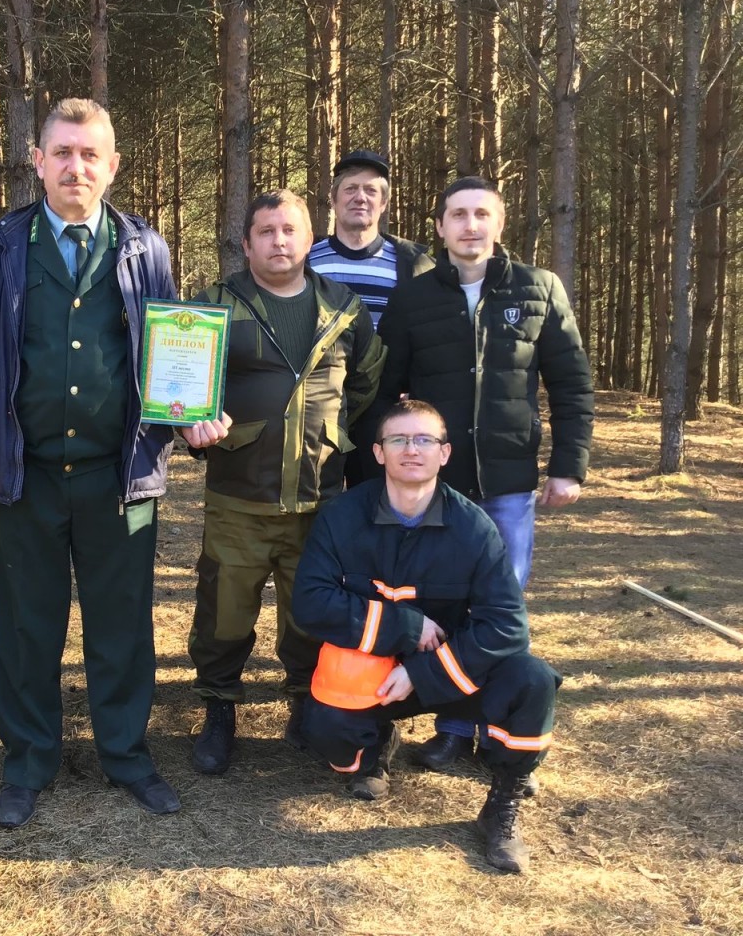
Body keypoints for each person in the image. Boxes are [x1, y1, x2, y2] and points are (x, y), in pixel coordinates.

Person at [0, 97, 180, 828]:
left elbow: (172, 352)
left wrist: (189, 416)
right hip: (26, 474)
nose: (76, 167)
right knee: (26, 626)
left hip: (119, 476)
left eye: (90, 154)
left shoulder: (146, 248)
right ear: (38, 161)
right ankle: (28, 761)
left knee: (122, 625)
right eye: (63, 153)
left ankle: (127, 755)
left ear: (113, 166)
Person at [376, 175, 592, 775]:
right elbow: (386, 391)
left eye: (481, 214)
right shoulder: (413, 299)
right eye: (457, 215)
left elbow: (572, 385)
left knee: (500, 608)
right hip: (438, 487)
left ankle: (498, 728)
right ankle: (451, 728)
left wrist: (568, 467)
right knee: (445, 604)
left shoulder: (539, 289)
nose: (470, 225)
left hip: (508, 485)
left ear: (498, 224)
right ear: (440, 228)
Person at [293, 399, 560, 874]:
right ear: (379, 452)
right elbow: (311, 602)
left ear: (444, 452)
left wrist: (423, 673)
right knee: (322, 729)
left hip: (452, 673)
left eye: (424, 440)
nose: (411, 449)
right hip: (376, 673)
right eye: (398, 439)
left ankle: (502, 802)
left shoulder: (473, 527)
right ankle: (373, 746)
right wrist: (404, 627)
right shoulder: (341, 515)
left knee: (531, 679)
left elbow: (507, 624)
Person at [179, 189, 383, 775]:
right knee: (224, 611)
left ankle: (303, 701)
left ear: (309, 239)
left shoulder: (344, 307)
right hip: (238, 495)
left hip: (320, 498)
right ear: (246, 245)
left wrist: (329, 434)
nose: (279, 241)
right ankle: (219, 706)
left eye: (289, 230)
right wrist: (193, 423)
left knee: (309, 611)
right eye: (265, 232)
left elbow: (365, 381)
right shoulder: (216, 305)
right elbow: (185, 385)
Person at [307, 149, 433, 485]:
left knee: (378, 500)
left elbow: (428, 335)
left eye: (371, 190)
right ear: (334, 200)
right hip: (318, 406)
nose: (360, 197)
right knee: (319, 502)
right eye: (350, 189)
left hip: (385, 409)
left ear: (384, 202)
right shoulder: (305, 260)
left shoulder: (414, 264)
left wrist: (414, 388)